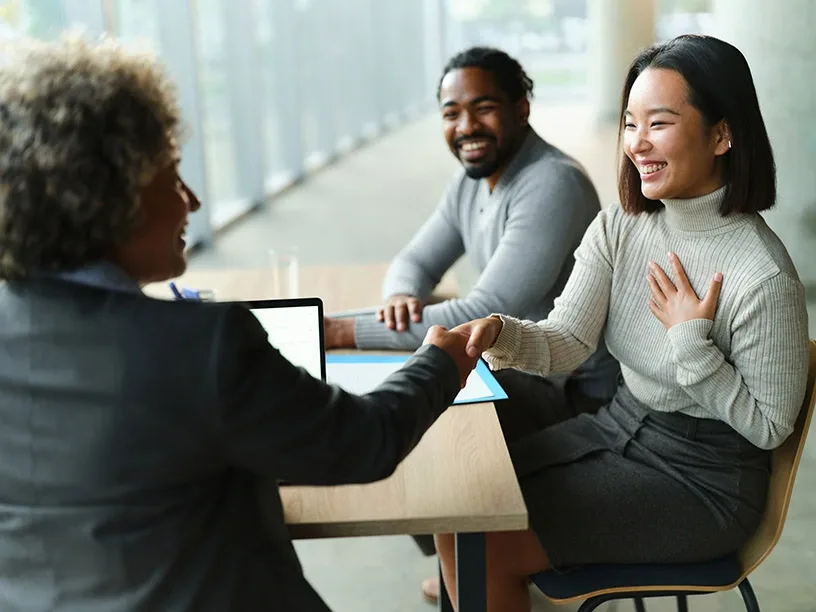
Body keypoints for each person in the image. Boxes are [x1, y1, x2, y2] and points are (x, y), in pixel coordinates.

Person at [0, 35, 479, 612]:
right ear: (109, 196)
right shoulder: (199, 348)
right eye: (173, 176)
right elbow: (363, 443)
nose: (193, 201)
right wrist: (442, 362)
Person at [435, 34, 811, 612]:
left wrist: (694, 346)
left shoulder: (761, 273)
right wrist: (502, 333)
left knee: (486, 540)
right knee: (459, 505)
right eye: (630, 123)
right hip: (618, 425)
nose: (637, 144)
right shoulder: (620, 229)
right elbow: (566, 342)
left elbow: (769, 427)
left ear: (721, 134)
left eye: (658, 123)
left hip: (704, 479)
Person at [326, 46, 621, 603]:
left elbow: (479, 312)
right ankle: (467, 567)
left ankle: (479, 571)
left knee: (427, 418)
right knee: (415, 391)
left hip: (573, 387)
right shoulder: (471, 180)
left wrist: (341, 331)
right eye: (450, 112)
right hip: (513, 365)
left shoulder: (552, 183)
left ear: (522, 108)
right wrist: (398, 295)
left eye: (483, 108)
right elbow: (414, 261)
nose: (466, 126)